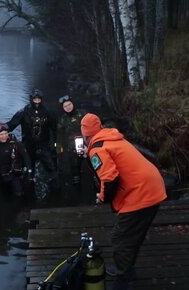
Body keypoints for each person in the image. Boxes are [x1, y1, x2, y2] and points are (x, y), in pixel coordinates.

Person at [80, 113, 167, 290]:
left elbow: (109, 179)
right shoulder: (111, 137)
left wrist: (102, 197)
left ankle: (123, 279)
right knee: (134, 235)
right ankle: (127, 269)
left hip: (141, 193)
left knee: (120, 238)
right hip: (154, 186)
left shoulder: (97, 149)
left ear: (84, 133)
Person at [5, 89, 57, 177]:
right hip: (28, 145)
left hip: (43, 145)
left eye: (39, 99)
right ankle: (29, 183)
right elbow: (11, 124)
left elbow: (55, 127)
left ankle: (54, 184)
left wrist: (56, 142)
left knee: (51, 167)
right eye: (35, 99)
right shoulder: (24, 112)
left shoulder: (47, 112)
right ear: (31, 99)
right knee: (28, 169)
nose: (37, 102)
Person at [56, 95, 86, 186]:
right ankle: (77, 184)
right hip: (72, 147)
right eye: (65, 106)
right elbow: (59, 135)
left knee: (90, 164)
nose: (68, 107)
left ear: (72, 104)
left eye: (69, 104)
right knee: (75, 168)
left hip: (86, 143)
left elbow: (92, 125)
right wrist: (58, 150)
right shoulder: (62, 119)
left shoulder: (82, 113)